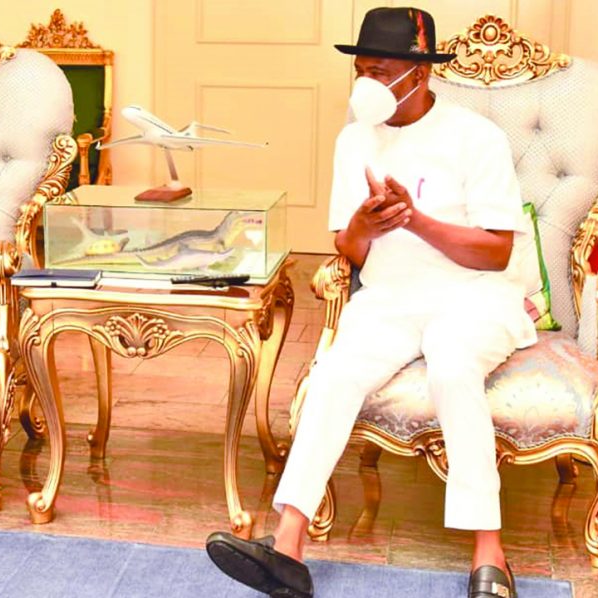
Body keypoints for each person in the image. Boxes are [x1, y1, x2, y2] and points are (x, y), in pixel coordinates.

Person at [206, 7, 535, 598]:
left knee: (452, 365)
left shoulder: (477, 138)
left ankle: (490, 553)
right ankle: (288, 548)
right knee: (333, 376)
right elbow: (349, 249)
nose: (366, 84)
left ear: (419, 73)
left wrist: (415, 220)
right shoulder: (354, 138)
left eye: (379, 72)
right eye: (360, 71)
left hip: (473, 297)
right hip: (388, 299)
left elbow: (496, 253)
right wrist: (363, 224)